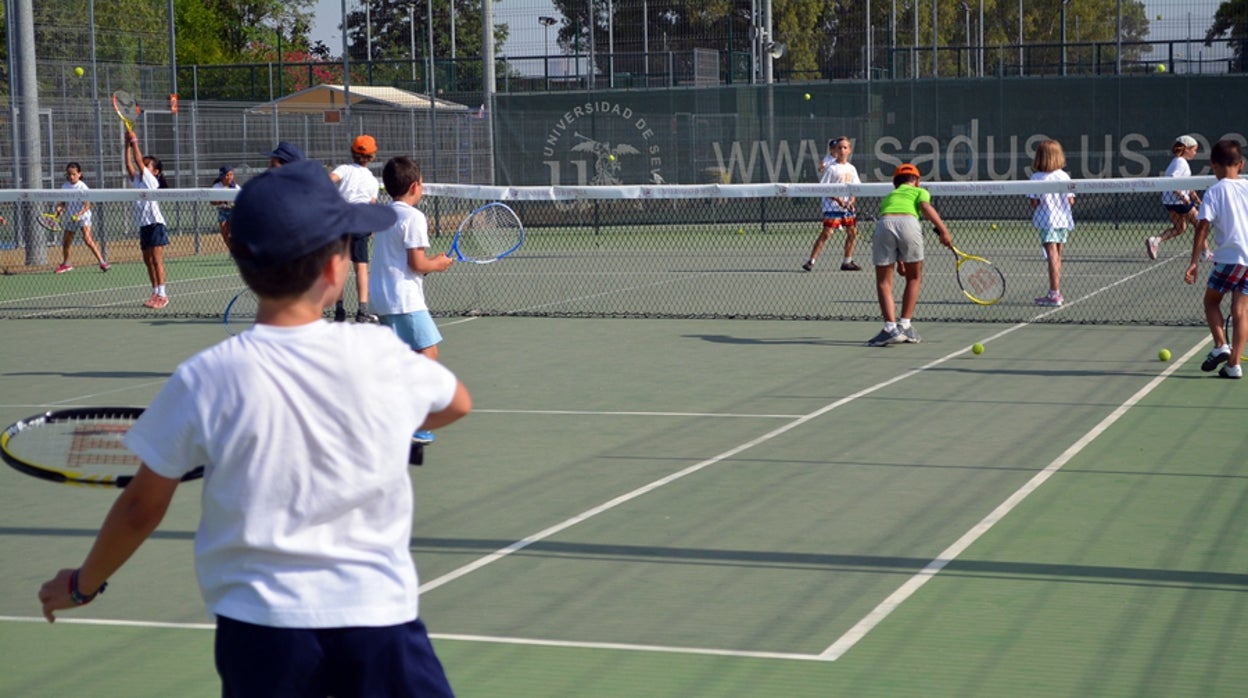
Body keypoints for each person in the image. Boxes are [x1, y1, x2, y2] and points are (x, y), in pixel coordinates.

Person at [38, 159, 473, 698]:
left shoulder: (205, 377)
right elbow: (456, 402)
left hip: (260, 635)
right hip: (379, 623)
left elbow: (139, 509)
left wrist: (82, 586)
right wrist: (382, 416)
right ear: (337, 269)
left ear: (241, 263)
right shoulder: (378, 351)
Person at [375, 156, 456, 444]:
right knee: (428, 353)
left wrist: (430, 261)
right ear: (414, 186)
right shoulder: (414, 217)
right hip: (404, 300)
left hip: (383, 299)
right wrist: (438, 265)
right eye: (421, 183)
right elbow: (417, 264)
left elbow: (406, 260)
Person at [866, 163, 953, 346]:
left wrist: (900, 261)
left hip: (884, 224)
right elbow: (925, 207)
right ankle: (905, 325)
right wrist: (943, 230)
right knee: (914, 278)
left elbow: (893, 226)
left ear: (895, 184)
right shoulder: (920, 192)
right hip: (909, 224)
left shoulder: (889, 196)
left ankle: (890, 328)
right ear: (917, 181)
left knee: (883, 281)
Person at [1184, 139, 1248, 380]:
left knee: (1211, 302)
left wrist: (1194, 261)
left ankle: (1221, 344)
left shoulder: (1214, 191)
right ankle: (1233, 365)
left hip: (1229, 258)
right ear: (1240, 164)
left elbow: (1202, 226)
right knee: (1241, 311)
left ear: (1213, 165)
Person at [330, 135, 382, 323]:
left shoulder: (344, 169)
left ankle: (339, 311)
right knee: (361, 267)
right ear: (373, 156)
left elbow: (330, 180)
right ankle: (362, 311)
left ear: (352, 152)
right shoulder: (373, 181)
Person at [123, 129, 169, 309]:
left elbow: (137, 161)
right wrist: (127, 145)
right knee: (148, 260)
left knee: (157, 260)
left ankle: (163, 294)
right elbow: (129, 165)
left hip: (156, 224)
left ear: (155, 171)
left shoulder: (152, 181)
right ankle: (155, 291)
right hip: (144, 225)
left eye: (147, 164)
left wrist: (134, 141)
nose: (142, 165)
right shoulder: (138, 181)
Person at [803, 136, 862, 271]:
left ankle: (847, 261)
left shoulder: (852, 169)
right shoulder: (831, 168)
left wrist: (852, 201)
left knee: (852, 233)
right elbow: (824, 187)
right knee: (827, 233)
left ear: (849, 150)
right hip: (832, 207)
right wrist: (838, 200)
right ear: (835, 150)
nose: (842, 150)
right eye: (839, 148)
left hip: (847, 208)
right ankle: (811, 261)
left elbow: (856, 188)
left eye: (845, 147)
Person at [1028, 140, 1075, 307]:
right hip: (1063, 220)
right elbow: (1070, 201)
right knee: (1058, 256)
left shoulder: (1036, 178)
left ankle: (1054, 293)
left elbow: (1034, 203)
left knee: (1052, 256)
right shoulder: (1064, 176)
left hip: (1047, 221)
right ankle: (1055, 291)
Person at [1148, 135, 1209, 261]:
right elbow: (1172, 180)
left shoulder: (1178, 162)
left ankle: (1155, 240)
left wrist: (1195, 198)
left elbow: (1186, 184)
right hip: (1178, 201)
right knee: (1200, 224)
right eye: (1194, 150)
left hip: (1169, 201)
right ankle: (1205, 253)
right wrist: (1182, 196)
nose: (1195, 153)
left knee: (1180, 228)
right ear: (1186, 149)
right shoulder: (1180, 163)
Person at [54, 162, 108, 273]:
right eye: (69, 174)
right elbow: (62, 203)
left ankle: (102, 262)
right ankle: (66, 264)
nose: (71, 176)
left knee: (87, 239)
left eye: (74, 174)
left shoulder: (82, 187)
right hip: (71, 218)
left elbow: (87, 205)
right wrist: (59, 208)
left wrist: (79, 214)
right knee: (66, 242)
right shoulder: (65, 187)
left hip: (83, 217)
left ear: (79, 174)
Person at [211, 165, 239, 247]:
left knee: (232, 234)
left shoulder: (236, 187)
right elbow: (212, 202)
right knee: (224, 233)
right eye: (227, 175)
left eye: (231, 175)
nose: (229, 177)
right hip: (222, 212)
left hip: (234, 213)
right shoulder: (217, 187)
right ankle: (232, 251)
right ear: (222, 176)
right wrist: (222, 200)